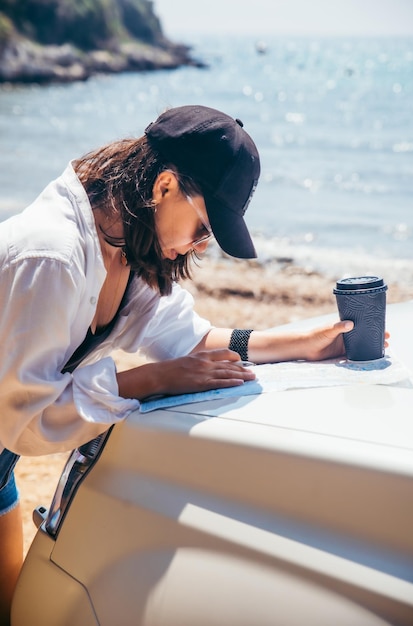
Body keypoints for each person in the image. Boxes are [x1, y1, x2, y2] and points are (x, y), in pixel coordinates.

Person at [0, 104, 378, 623]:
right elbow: (26, 421)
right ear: (164, 187)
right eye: (203, 226)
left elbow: (193, 342)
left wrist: (303, 342)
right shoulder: (53, 255)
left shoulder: (124, 249)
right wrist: (152, 380)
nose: (201, 245)